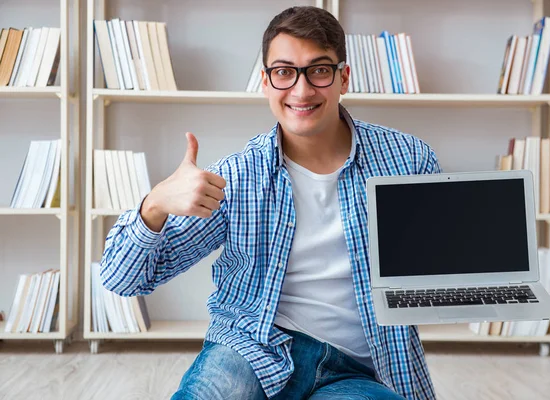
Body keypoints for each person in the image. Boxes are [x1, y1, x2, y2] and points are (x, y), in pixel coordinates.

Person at [100, 5, 440, 400]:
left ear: (343, 77)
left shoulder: (408, 160)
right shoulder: (238, 177)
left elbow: (436, 267)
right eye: (284, 72)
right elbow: (121, 279)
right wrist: (154, 205)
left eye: (319, 69)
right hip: (251, 349)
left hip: (358, 369)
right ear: (265, 81)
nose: (301, 90)